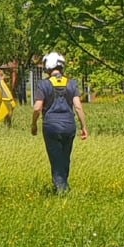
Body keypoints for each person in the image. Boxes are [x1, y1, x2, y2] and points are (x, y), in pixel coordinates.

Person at [31, 51, 89, 193]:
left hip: (51, 126)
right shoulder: (72, 84)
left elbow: (38, 107)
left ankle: (61, 189)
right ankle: (63, 185)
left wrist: (33, 124)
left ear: (47, 67)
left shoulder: (43, 85)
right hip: (69, 126)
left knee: (55, 158)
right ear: (62, 66)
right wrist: (84, 127)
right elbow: (78, 106)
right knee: (65, 157)